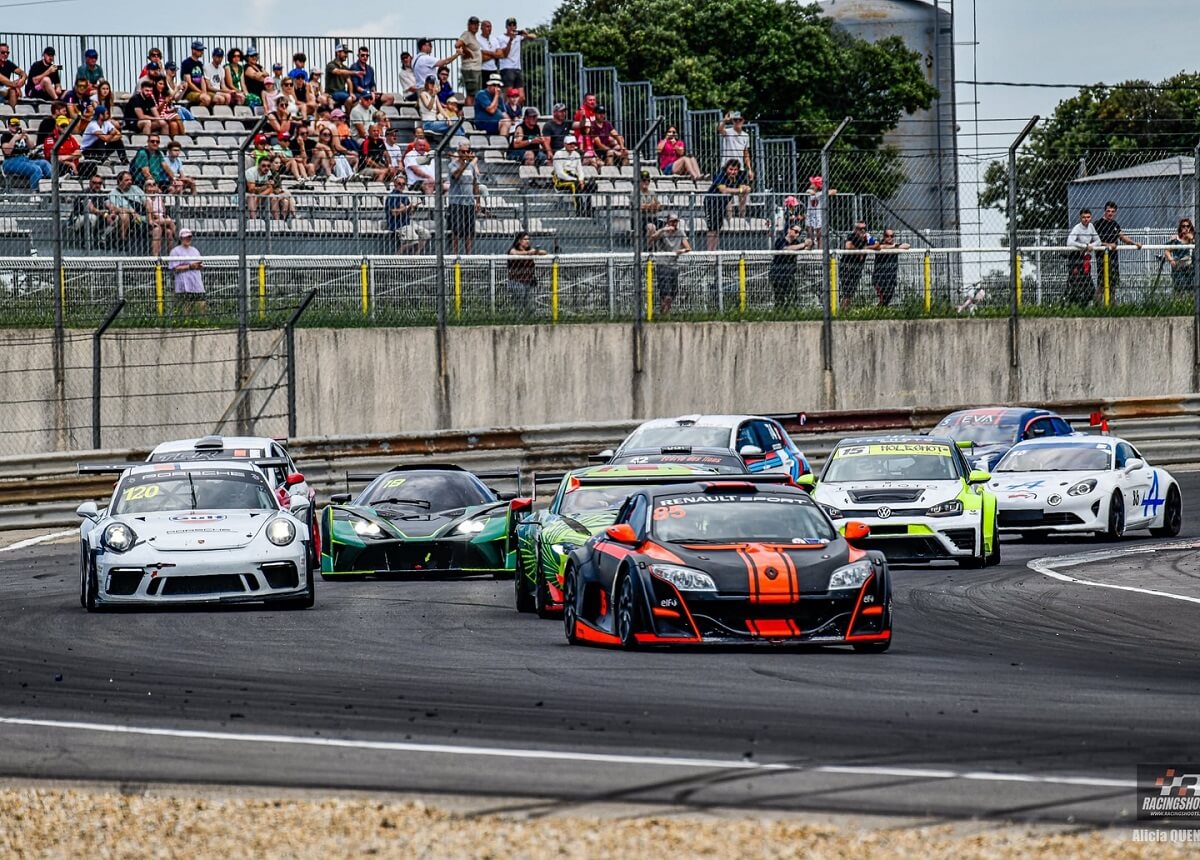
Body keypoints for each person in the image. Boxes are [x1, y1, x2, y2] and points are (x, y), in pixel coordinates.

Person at [1093, 201, 1142, 300]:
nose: (1110, 213)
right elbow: (1094, 241)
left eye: (1113, 211)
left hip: (1114, 258)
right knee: (1102, 285)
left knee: (1113, 285)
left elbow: (1122, 237)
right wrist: (1107, 245)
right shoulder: (1098, 224)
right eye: (1108, 211)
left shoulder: (1115, 224)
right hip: (1102, 258)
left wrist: (1134, 243)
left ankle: (1112, 309)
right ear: (1104, 211)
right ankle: (1097, 308)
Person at [647, 212, 690, 314]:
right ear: (668, 222)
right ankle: (664, 313)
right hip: (663, 264)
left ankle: (664, 313)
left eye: (676, 222)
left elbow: (688, 247)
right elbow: (652, 238)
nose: (674, 224)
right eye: (672, 221)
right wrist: (663, 229)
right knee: (666, 294)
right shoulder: (662, 232)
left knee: (673, 293)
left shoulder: (680, 233)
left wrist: (681, 251)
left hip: (673, 265)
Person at [703, 160, 751, 251]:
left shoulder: (739, 176)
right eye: (731, 169)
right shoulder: (721, 175)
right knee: (712, 229)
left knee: (717, 228)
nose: (733, 172)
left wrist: (745, 188)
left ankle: (714, 250)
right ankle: (710, 251)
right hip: (711, 203)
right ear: (726, 169)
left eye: (735, 170)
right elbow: (723, 190)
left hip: (722, 204)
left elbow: (746, 187)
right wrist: (740, 190)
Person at [448, 140, 481, 255]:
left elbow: (475, 184)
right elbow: (456, 175)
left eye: (468, 151)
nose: (466, 153)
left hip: (469, 202)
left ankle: (469, 255)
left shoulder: (472, 167)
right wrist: (466, 163)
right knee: (456, 231)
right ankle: (455, 254)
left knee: (469, 231)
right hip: (456, 202)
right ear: (459, 152)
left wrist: (477, 201)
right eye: (463, 151)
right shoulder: (452, 165)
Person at [1, 116, 51, 190]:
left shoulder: (22, 136)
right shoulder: (5, 136)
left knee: (44, 163)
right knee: (35, 169)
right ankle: (34, 193)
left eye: (17, 125)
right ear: (8, 126)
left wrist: (27, 137)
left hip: (24, 159)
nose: (15, 127)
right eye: (13, 125)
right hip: (11, 161)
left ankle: (57, 180)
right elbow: (7, 151)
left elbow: (32, 147)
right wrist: (14, 138)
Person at [384, 174, 430, 253]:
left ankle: (416, 255)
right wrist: (405, 208)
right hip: (396, 225)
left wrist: (413, 208)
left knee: (426, 234)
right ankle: (397, 257)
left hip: (407, 223)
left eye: (403, 184)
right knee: (413, 239)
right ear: (395, 184)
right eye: (399, 183)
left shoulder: (404, 196)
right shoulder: (392, 196)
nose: (401, 186)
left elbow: (410, 213)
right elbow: (394, 213)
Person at [552, 134, 595, 217]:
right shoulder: (558, 154)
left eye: (573, 144)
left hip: (575, 177)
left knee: (591, 185)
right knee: (574, 185)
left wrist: (581, 179)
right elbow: (560, 173)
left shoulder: (576, 154)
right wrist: (576, 180)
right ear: (564, 144)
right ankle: (578, 211)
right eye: (570, 143)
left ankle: (589, 211)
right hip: (561, 180)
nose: (572, 145)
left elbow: (580, 170)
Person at [770, 224, 811, 309]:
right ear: (789, 230)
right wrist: (803, 244)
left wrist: (810, 243)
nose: (797, 234)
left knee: (793, 296)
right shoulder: (780, 240)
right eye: (795, 231)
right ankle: (779, 312)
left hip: (789, 274)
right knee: (779, 298)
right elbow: (786, 249)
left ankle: (791, 312)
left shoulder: (796, 243)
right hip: (778, 273)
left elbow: (806, 248)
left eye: (798, 233)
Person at [1065, 208, 1100, 305]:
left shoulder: (1091, 227)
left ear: (1091, 218)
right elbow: (1069, 242)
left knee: (1089, 287)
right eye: (1084, 217)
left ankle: (1082, 306)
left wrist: (1090, 246)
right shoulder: (1077, 228)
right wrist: (1084, 246)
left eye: (1088, 217)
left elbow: (1098, 241)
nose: (1086, 219)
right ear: (1080, 218)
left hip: (1085, 259)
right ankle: (1071, 303)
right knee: (1075, 282)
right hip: (1076, 258)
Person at [169, 228, 206, 316]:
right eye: (185, 237)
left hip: (196, 282)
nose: (187, 239)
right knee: (186, 306)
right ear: (181, 238)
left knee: (202, 304)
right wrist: (190, 266)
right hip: (183, 282)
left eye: (189, 237)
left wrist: (199, 266)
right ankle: (187, 322)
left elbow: (199, 264)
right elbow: (175, 268)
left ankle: (202, 321)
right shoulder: (175, 251)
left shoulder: (195, 250)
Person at [506, 231, 547, 312]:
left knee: (530, 306)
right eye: (525, 239)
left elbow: (544, 252)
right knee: (519, 304)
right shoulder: (513, 250)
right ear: (519, 241)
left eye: (528, 239)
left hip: (528, 281)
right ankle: (518, 320)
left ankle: (529, 320)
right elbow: (514, 253)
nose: (527, 241)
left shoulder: (530, 250)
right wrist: (529, 253)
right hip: (516, 281)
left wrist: (536, 252)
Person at [840, 221, 877, 307]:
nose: (863, 231)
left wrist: (866, 247)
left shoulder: (867, 237)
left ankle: (844, 310)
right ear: (855, 230)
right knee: (847, 293)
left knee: (850, 293)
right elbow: (848, 246)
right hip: (847, 267)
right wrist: (859, 250)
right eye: (860, 229)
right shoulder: (852, 236)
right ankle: (842, 312)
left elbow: (877, 245)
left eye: (864, 228)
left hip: (857, 268)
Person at [871, 228, 911, 306]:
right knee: (882, 298)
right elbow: (881, 247)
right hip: (879, 277)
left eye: (891, 236)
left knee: (887, 299)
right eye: (887, 236)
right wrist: (894, 246)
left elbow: (907, 245)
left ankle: (880, 312)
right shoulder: (879, 245)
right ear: (884, 236)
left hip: (891, 277)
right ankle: (878, 312)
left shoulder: (895, 246)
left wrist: (895, 246)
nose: (889, 238)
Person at [71, 173, 114, 245]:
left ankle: (102, 238)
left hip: (98, 217)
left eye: (99, 183)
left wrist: (112, 212)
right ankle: (87, 241)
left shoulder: (102, 194)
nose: (97, 185)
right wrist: (106, 214)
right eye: (94, 183)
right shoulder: (85, 193)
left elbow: (109, 205)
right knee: (92, 217)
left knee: (115, 217)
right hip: (79, 218)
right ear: (90, 183)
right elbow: (91, 209)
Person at [107, 171, 146, 246]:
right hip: (128, 216)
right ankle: (122, 240)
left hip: (142, 213)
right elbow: (116, 209)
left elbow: (145, 201)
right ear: (119, 181)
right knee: (124, 215)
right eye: (127, 180)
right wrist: (131, 211)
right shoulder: (113, 194)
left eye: (131, 180)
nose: (130, 182)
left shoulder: (136, 188)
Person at [498, 18, 534, 100]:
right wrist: (510, 40)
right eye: (510, 25)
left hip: (517, 68)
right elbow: (505, 53)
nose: (512, 27)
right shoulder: (500, 38)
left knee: (521, 97)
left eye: (514, 25)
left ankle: (516, 111)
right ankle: (506, 111)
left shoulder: (518, 36)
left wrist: (525, 33)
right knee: (508, 96)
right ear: (506, 27)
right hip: (506, 68)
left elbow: (534, 37)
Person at [141, 179, 176, 256]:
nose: (152, 186)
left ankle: (171, 257)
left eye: (154, 184)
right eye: (149, 185)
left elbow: (163, 211)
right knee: (168, 222)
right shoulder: (146, 198)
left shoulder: (159, 197)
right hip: (151, 221)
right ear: (145, 188)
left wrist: (164, 218)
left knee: (169, 232)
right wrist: (164, 219)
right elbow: (151, 215)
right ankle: (178, 237)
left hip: (161, 220)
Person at [717, 111, 753, 182]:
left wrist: (749, 169)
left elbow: (746, 153)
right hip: (727, 166)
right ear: (733, 121)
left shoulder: (745, 135)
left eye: (740, 120)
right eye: (735, 120)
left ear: (743, 121)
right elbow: (720, 130)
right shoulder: (728, 131)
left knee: (741, 188)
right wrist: (724, 121)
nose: (738, 122)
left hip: (739, 168)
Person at [457, 17, 484, 104]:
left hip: (476, 68)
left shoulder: (473, 36)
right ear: (469, 25)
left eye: (477, 24)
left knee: (475, 93)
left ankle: (472, 112)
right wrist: (467, 51)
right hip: (470, 69)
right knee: (471, 94)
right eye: (473, 24)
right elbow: (458, 44)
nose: (476, 26)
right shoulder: (467, 34)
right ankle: (469, 114)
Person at [1165, 218, 1195, 293]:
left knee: (1191, 288)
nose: (1185, 228)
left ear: (1190, 227)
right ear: (1180, 228)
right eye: (1183, 226)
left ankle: (1190, 302)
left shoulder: (1193, 239)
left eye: (1188, 226)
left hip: (1190, 268)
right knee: (1179, 288)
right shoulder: (1176, 239)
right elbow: (1167, 250)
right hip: (1178, 267)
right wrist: (1171, 260)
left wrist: (1192, 238)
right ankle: (1179, 303)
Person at [0, 44, 26, 110]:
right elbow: (2, 79)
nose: (5, 54)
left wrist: (22, 79)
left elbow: (23, 73)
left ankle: (13, 116)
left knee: (12, 90)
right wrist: (16, 86)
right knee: (13, 88)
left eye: (7, 52)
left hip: (5, 89)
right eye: (3, 52)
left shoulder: (8, 63)